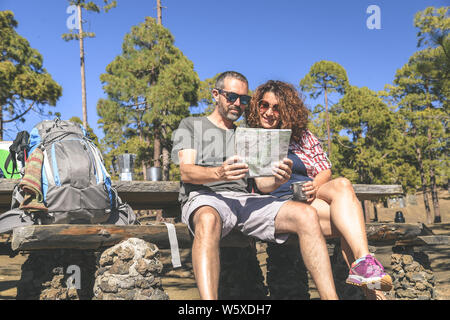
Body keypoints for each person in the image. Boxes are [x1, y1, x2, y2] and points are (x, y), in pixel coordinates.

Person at [171, 71, 339, 300]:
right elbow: (186, 171)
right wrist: (218, 172)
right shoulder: (192, 125)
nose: (238, 103)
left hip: (246, 201)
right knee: (208, 219)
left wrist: (278, 179)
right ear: (215, 95)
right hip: (206, 196)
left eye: (244, 99)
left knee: (306, 215)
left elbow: (263, 184)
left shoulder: (250, 135)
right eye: (231, 96)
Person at [245, 80, 393, 299]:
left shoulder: (302, 136)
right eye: (264, 105)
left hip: (309, 194)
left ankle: (364, 262)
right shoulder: (254, 138)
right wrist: (278, 177)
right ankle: (369, 287)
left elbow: (325, 170)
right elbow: (262, 186)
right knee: (349, 225)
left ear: (286, 110)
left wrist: (316, 184)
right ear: (256, 106)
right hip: (278, 204)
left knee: (342, 184)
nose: (269, 112)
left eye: (276, 107)